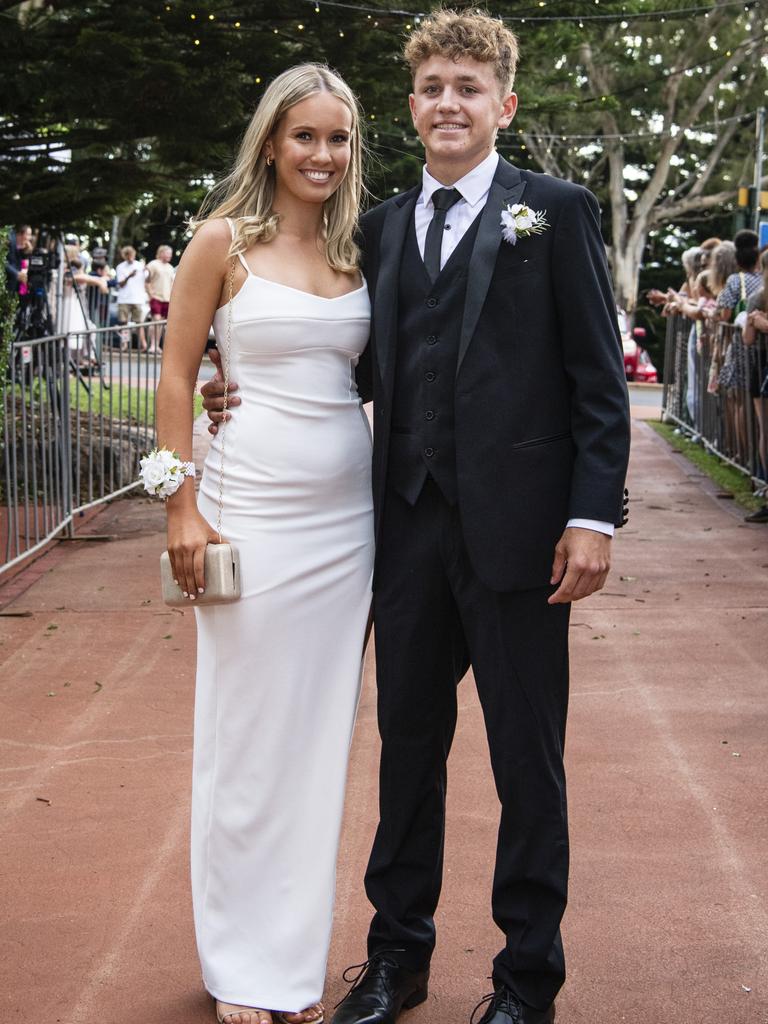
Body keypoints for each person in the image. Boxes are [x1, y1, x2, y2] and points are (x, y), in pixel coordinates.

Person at [204, 12, 630, 1024]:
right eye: (433, 85)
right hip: (401, 533)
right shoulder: (384, 228)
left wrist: (592, 517)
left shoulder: (555, 212)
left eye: (468, 88)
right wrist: (233, 379)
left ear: (503, 106)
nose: (449, 101)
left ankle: (527, 980)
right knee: (407, 753)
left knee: (529, 760)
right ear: (411, 106)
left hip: (526, 538)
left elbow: (599, 386)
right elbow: (336, 357)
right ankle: (398, 958)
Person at [155, 64, 373, 1024]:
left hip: (348, 530)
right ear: (271, 144)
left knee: (318, 742)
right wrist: (180, 507)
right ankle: (239, 963)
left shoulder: (364, 252)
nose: (322, 156)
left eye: (337, 139)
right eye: (306, 137)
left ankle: (292, 959)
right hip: (250, 516)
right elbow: (174, 374)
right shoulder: (221, 244)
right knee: (245, 740)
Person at [742, 248, 768, 523]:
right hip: (762, 369)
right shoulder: (757, 298)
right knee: (765, 432)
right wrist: (753, 323)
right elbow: (747, 339)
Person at [115, 244, 148, 351]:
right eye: (128, 255)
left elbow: (148, 279)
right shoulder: (120, 267)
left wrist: (148, 269)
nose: (130, 257)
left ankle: (143, 345)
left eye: (132, 255)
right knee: (124, 323)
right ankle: (124, 344)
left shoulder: (140, 265)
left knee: (139, 323)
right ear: (125, 256)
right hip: (124, 298)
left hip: (138, 298)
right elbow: (120, 284)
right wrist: (129, 276)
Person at [145, 243, 176, 352]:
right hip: (156, 297)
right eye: (168, 254)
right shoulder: (153, 264)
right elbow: (146, 280)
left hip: (167, 298)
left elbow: (172, 283)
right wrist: (150, 294)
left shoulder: (171, 267)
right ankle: (152, 344)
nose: (170, 256)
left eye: (170, 254)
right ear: (161, 253)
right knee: (156, 320)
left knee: (162, 323)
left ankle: (156, 345)